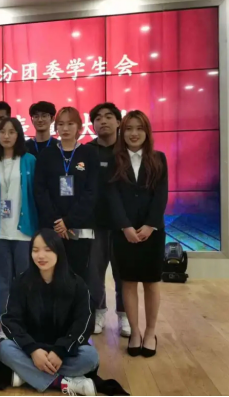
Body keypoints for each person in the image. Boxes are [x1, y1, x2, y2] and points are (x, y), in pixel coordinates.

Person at [0, 229, 99, 396]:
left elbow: (84, 321)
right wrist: (32, 349)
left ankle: (27, 375)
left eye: (47, 250)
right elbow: (10, 320)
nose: (41, 256)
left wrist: (61, 350)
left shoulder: (76, 284)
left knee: (90, 357)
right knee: (4, 348)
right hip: (31, 350)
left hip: (63, 352)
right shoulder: (22, 282)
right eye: (35, 250)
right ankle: (62, 382)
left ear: (58, 251)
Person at [108, 110, 168, 358]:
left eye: (139, 128)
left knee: (151, 283)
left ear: (147, 132)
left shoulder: (158, 158)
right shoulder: (114, 160)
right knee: (128, 282)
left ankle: (150, 332)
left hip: (152, 232)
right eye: (129, 129)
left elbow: (161, 194)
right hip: (124, 232)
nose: (134, 133)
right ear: (123, 132)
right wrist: (125, 226)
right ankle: (135, 331)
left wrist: (151, 225)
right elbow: (112, 196)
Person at [34, 107, 99, 285]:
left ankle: (79, 305)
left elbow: (91, 192)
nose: (65, 128)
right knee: (50, 276)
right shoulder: (47, 154)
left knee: (77, 277)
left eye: (70, 124)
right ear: (56, 127)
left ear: (79, 127)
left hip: (80, 227)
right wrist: (57, 221)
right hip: (52, 227)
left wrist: (69, 221)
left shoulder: (89, 154)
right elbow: (40, 190)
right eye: (61, 124)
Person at [87, 103, 130, 338]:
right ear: (92, 124)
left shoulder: (127, 150)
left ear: (118, 122)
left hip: (123, 225)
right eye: (98, 118)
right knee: (94, 273)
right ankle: (98, 311)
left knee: (123, 273)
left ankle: (125, 315)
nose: (103, 121)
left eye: (108, 117)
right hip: (94, 223)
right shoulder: (86, 151)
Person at [0, 118, 39, 311]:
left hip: (24, 230)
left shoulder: (29, 160)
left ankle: (26, 319)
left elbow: (36, 194)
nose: (6, 136)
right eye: (2, 132)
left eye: (11, 132)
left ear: (19, 134)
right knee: (1, 279)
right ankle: (3, 318)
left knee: (26, 278)